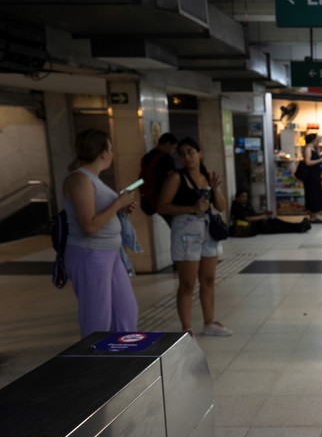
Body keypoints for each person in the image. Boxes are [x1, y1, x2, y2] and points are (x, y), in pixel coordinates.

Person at [63, 129, 139, 338]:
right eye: (111, 149)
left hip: (110, 253)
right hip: (90, 254)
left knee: (126, 310)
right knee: (97, 317)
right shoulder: (80, 180)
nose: (113, 154)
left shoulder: (93, 179)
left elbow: (101, 212)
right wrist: (118, 203)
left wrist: (121, 207)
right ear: (103, 152)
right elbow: (89, 226)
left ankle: (123, 353)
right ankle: (96, 356)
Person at [157, 136, 232, 337]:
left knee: (208, 279)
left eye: (190, 152)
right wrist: (192, 208)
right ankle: (186, 327)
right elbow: (162, 206)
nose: (187, 157)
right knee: (188, 283)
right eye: (182, 154)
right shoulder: (176, 178)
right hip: (186, 231)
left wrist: (215, 188)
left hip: (207, 231)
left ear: (200, 153)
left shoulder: (207, 177)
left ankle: (209, 322)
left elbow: (221, 207)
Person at [138, 132, 178, 224]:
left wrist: (129, 189)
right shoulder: (166, 158)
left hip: (150, 200)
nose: (173, 152)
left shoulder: (146, 157)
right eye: (173, 148)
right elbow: (174, 179)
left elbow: (141, 179)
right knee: (178, 226)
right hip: (165, 200)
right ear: (167, 144)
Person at [230, 190, 308, 235]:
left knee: (278, 221)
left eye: (246, 196)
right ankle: (300, 227)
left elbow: (253, 214)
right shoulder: (237, 207)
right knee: (280, 227)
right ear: (237, 197)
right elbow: (247, 218)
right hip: (255, 227)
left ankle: (300, 226)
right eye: (243, 196)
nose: (245, 198)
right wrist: (262, 217)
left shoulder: (246, 205)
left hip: (260, 222)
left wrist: (264, 214)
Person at [301, 133, 322, 224]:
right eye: (317, 139)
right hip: (311, 176)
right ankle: (312, 216)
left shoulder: (313, 148)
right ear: (313, 140)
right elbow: (308, 162)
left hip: (315, 175)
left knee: (315, 194)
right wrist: (320, 160)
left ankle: (314, 215)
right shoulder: (308, 149)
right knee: (312, 194)